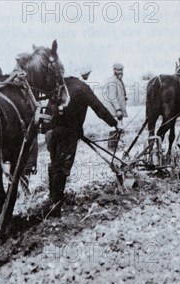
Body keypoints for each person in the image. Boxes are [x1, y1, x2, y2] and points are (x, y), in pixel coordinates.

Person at [46, 76, 120, 217]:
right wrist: (113, 123)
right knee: (62, 169)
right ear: (85, 74)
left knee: (54, 164)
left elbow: (49, 109)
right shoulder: (82, 87)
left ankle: (52, 200)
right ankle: (55, 209)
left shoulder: (60, 85)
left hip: (53, 132)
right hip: (69, 134)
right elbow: (98, 108)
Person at [103, 63, 128, 150]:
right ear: (114, 70)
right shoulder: (113, 81)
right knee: (114, 129)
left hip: (117, 111)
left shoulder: (118, 80)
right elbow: (112, 96)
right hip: (114, 111)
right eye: (118, 70)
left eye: (121, 70)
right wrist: (118, 109)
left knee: (118, 129)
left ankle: (116, 147)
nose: (120, 72)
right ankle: (112, 148)